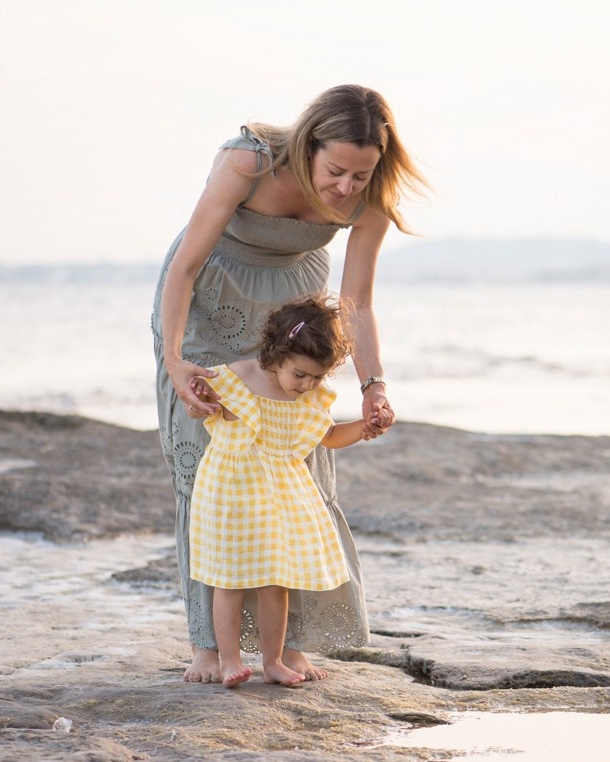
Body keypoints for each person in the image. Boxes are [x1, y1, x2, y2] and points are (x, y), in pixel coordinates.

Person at [151, 84, 428, 683]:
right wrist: (176, 362)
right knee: (208, 468)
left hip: (295, 309)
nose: (347, 189)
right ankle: (210, 647)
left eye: (362, 174)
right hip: (208, 301)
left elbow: (355, 302)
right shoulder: (247, 163)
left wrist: (373, 385)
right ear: (308, 145)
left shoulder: (371, 195)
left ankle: (287, 647)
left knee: (298, 467)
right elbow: (185, 266)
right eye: (336, 171)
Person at [190, 296, 366, 688]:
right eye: (300, 375)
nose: (307, 385)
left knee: (277, 580)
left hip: (281, 496)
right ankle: (230, 660)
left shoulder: (310, 398)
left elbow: (330, 436)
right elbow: (196, 407)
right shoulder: (234, 379)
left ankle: (273, 660)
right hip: (231, 492)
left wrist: (364, 427)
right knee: (229, 579)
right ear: (277, 354)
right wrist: (197, 401)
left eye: (317, 378)